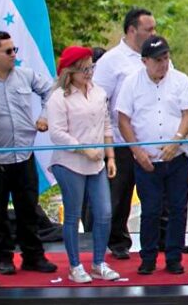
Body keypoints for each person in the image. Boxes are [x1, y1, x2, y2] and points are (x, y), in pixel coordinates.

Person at [94, 7, 188, 261]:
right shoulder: (111, 61)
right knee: (121, 195)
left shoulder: (163, 59)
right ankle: (118, 241)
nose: (153, 32)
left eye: (154, 28)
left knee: (165, 202)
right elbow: (98, 101)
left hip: (164, 144)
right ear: (131, 30)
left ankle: (167, 241)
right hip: (122, 140)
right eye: (148, 29)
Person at [115, 35, 188, 275]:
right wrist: (137, 151)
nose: (163, 64)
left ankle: (173, 257)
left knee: (178, 208)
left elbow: (187, 113)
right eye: (158, 60)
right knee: (150, 210)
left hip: (177, 157)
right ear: (145, 61)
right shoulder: (132, 83)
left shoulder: (180, 80)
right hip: (147, 159)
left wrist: (176, 140)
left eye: (166, 58)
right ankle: (148, 257)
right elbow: (123, 119)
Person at [0, 31, 57, 275]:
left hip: (24, 156)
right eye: (8, 51)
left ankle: (33, 256)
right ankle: (3, 258)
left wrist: (44, 116)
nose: (14, 55)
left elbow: (53, 91)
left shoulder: (25, 76)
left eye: (15, 50)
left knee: (28, 209)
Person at [46, 46, 120, 284]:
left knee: (105, 213)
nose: (89, 73)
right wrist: (82, 148)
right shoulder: (59, 97)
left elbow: (107, 125)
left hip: (97, 162)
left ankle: (99, 262)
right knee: (73, 215)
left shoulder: (98, 92)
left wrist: (110, 157)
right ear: (70, 72)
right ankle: (75, 265)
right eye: (83, 69)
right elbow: (56, 133)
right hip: (69, 163)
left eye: (91, 67)